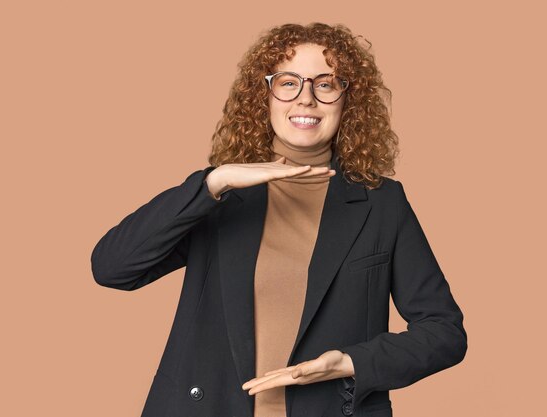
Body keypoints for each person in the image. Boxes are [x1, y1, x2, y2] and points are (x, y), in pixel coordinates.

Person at [91, 22, 467, 417]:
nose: (306, 99)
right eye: (288, 83)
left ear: (347, 100)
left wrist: (350, 363)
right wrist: (212, 183)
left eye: (326, 84)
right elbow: (112, 268)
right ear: (263, 96)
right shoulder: (221, 195)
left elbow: (444, 332)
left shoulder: (382, 203)